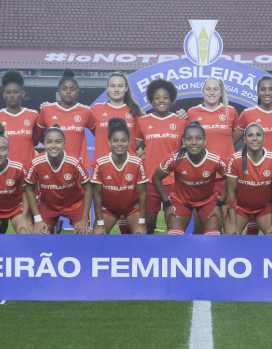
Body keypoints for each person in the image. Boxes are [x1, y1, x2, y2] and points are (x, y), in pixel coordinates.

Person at [232, 75, 272, 235]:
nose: (267, 92)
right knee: (248, 221)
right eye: (263, 89)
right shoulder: (248, 113)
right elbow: (232, 139)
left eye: (271, 89)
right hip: (251, 175)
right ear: (258, 92)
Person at [90, 72, 145, 234]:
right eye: (113, 86)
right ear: (107, 88)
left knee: (128, 230)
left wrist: (126, 153)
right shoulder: (96, 110)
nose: (116, 89)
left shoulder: (135, 111)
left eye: (120, 86)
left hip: (128, 172)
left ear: (126, 89)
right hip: (102, 172)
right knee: (99, 230)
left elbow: (139, 139)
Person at [152, 121, 227, 235]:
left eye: (198, 138)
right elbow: (156, 177)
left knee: (213, 238)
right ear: (183, 141)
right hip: (180, 200)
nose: (194, 142)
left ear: (205, 141)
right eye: (189, 139)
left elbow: (231, 180)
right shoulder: (175, 158)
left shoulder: (215, 159)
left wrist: (219, 205)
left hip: (208, 200)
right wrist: (167, 205)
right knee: (174, 238)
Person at [134, 78, 188, 234]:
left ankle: (172, 256)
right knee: (148, 226)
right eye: (157, 97)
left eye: (165, 97)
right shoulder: (143, 121)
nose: (161, 101)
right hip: (150, 181)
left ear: (171, 99)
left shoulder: (181, 121)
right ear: (151, 100)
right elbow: (132, 149)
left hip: (174, 182)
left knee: (174, 227)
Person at [24, 125, 92, 234]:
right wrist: (38, 219)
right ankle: (54, 224)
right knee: (39, 235)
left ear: (64, 144)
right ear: (44, 144)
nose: (54, 146)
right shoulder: (36, 162)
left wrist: (84, 219)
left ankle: (63, 223)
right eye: (49, 142)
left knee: (84, 236)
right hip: (49, 205)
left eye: (58, 142)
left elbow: (88, 188)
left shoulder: (74, 162)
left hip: (75, 204)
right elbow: (29, 188)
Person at [91, 117, 148, 235]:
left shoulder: (137, 162)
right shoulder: (100, 163)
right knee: (97, 237)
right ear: (109, 142)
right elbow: (96, 195)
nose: (120, 144)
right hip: (108, 209)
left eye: (123, 140)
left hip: (132, 208)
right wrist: (100, 224)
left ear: (129, 142)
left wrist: (142, 223)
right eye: (115, 140)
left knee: (140, 236)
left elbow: (143, 194)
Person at [224, 123, 272, 235]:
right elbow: (230, 192)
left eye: (258, 135)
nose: (255, 138)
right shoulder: (235, 159)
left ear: (264, 138)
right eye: (250, 135)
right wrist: (232, 222)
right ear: (244, 139)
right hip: (240, 207)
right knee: (231, 235)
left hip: (264, 207)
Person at [187, 78, 239, 197]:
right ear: (203, 91)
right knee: (201, 211)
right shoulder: (192, 112)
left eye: (215, 89)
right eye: (208, 89)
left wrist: (227, 145)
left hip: (226, 171)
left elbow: (237, 135)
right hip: (200, 171)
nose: (212, 92)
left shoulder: (230, 111)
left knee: (227, 211)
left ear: (221, 93)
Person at [36, 69, 95, 169]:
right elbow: (37, 136)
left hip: (79, 166)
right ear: (59, 91)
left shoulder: (85, 111)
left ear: (77, 92)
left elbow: (99, 134)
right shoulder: (46, 110)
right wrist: (51, 145)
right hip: (53, 164)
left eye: (72, 89)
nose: (68, 92)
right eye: (64, 89)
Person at [0, 70, 40, 169]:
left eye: (16, 92)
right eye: (8, 92)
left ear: (23, 94)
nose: (12, 95)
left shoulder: (33, 115)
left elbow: (38, 140)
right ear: (4, 95)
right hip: (4, 172)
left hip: (28, 172)